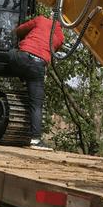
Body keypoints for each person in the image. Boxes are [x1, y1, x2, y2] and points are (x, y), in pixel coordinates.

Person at [8, 14, 64, 150]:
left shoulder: (40, 20)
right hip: (38, 66)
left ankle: (20, 77)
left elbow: (19, 30)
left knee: (9, 54)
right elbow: (53, 47)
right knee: (36, 105)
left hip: (20, 58)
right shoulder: (60, 36)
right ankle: (35, 140)